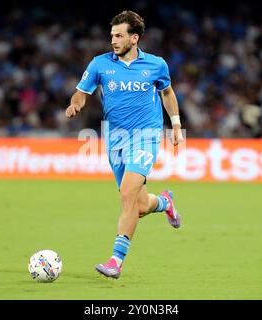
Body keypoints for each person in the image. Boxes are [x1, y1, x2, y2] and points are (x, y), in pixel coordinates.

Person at [65, 10, 183, 279]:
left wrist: (175, 123)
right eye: (112, 36)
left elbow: (167, 92)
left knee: (127, 194)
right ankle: (165, 202)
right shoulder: (99, 65)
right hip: (115, 139)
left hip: (146, 135)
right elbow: (81, 93)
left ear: (135, 37)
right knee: (138, 206)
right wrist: (75, 105)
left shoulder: (156, 65)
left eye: (119, 36)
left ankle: (116, 260)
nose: (113, 41)